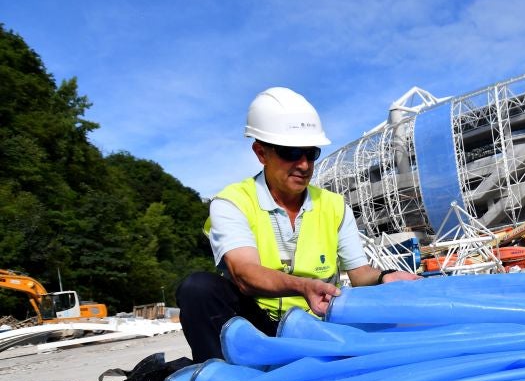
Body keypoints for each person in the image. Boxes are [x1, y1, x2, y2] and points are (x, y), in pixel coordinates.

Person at [177, 87, 419, 362]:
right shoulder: (233, 202)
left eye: (310, 153)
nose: (303, 165)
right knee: (199, 289)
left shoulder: (334, 205)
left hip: (315, 322)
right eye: (290, 152)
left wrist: (384, 276)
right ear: (261, 152)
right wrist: (303, 286)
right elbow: (244, 273)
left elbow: (359, 273)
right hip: (254, 323)